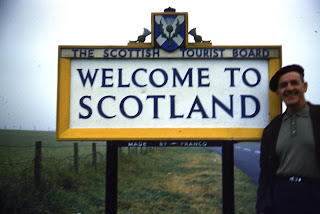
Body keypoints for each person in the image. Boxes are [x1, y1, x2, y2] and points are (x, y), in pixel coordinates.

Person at [256, 64, 320, 214]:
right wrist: (262, 208)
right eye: (283, 85)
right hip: (282, 195)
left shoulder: (318, 117)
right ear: (279, 93)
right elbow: (265, 174)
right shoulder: (272, 129)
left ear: (304, 86)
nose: (289, 88)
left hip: (314, 194)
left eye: (294, 83)